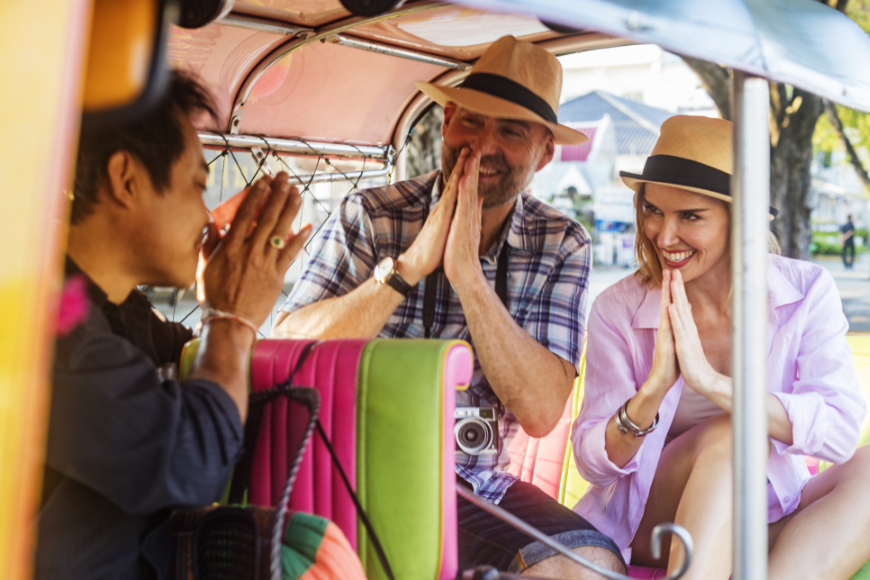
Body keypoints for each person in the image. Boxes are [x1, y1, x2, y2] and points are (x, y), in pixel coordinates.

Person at [273, 36, 625, 578]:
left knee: (591, 565)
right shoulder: (371, 215)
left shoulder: (561, 242)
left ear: (545, 153)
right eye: (472, 122)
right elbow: (287, 346)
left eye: (510, 131)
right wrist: (409, 266)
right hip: (348, 469)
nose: (482, 146)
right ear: (447, 120)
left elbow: (541, 411)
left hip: (472, 486)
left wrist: (469, 280)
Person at [36, 72, 311, 579]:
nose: (207, 217)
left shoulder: (123, 313)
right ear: (127, 179)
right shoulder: (45, 327)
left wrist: (229, 312)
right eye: (197, 185)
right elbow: (192, 463)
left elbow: (227, 405)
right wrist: (231, 319)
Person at [572, 115, 870, 579]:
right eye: (653, 211)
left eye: (689, 216)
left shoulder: (807, 291)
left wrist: (712, 383)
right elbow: (593, 465)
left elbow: (841, 432)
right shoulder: (618, 308)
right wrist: (651, 393)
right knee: (735, 435)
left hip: (764, 512)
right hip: (653, 521)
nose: (663, 236)